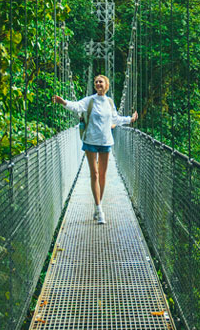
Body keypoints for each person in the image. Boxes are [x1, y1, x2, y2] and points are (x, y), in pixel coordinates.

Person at [53, 75, 138, 224]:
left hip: (105, 142)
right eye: (96, 82)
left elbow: (115, 119)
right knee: (95, 174)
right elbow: (76, 106)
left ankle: (98, 202)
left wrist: (129, 119)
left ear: (106, 85)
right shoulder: (89, 101)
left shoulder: (110, 102)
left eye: (101, 82)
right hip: (90, 141)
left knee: (103, 175)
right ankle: (99, 209)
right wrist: (63, 102)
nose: (98, 84)